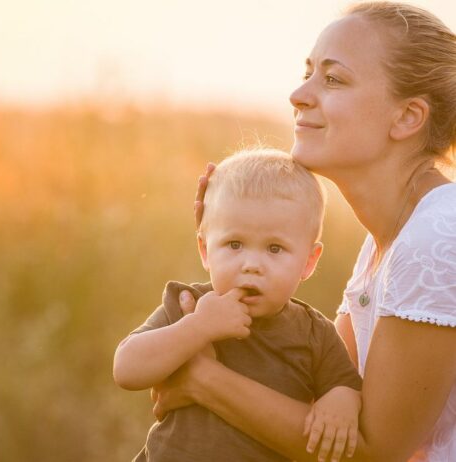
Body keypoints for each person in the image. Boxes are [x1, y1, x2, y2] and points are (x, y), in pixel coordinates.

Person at [150, 3, 456, 462]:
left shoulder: (434, 239)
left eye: (332, 79)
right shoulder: (387, 239)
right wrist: (227, 244)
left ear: (407, 117)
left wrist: (202, 379)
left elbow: (374, 452)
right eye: (308, 72)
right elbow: (310, 388)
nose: (298, 94)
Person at [113, 148, 363, 461]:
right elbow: (126, 369)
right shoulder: (190, 305)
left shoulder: (314, 334)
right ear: (205, 250)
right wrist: (198, 327)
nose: (251, 264)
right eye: (234, 244)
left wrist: (340, 402)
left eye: (275, 248)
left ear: (308, 262)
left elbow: (346, 385)